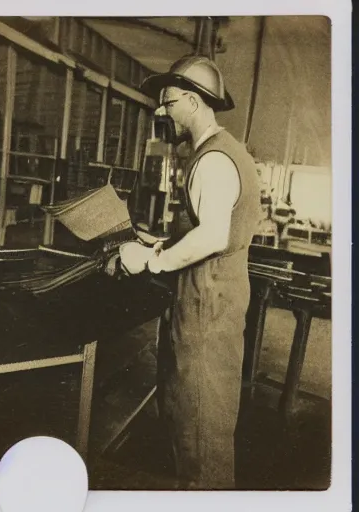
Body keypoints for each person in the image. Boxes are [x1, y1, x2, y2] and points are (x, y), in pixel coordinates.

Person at [118, 55, 262, 490]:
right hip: (214, 301)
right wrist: (161, 243)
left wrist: (152, 260)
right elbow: (209, 228)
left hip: (206, 310)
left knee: (199, 434)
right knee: (199, 425)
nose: (162, 111)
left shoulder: (213, 160)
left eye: (169, 102)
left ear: (196, 103)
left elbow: (213, 237)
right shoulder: (225, 151)